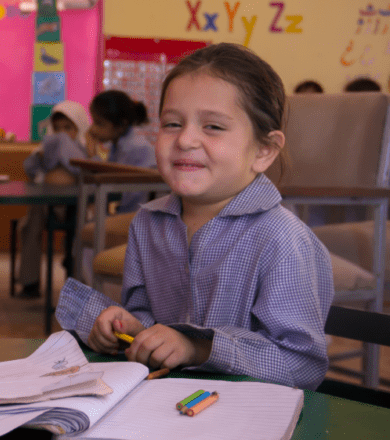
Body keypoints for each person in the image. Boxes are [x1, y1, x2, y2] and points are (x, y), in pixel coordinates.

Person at [55, 43, 334, 390]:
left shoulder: (282, 239)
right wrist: (131, 328)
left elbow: (302, 366)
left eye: (213, 127)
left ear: (263, 151)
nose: (185, 139)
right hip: (163, 407)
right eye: (172, 123)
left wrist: (198, 348)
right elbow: (146, 315)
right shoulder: (148, 224)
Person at [17, 101, 91, 298]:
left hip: (77, 205)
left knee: (85, 230)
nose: (61, 134)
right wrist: (42, 156)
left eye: (68, 128)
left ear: (79, 127)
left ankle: (78, 277)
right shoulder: (45, 148)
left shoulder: (86, 149)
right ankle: (29, 281)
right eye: (57, 128)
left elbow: (92, 172)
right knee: (29, 225)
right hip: (45, 203)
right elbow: (30, 169)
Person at [87, 90, 156, 213]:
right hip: (130, 212)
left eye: (99, 123)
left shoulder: (134, 148)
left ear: (121, 125)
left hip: (137, 217)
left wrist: (92, 154)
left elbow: (109, 182)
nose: (92, 129)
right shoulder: (118, 144)